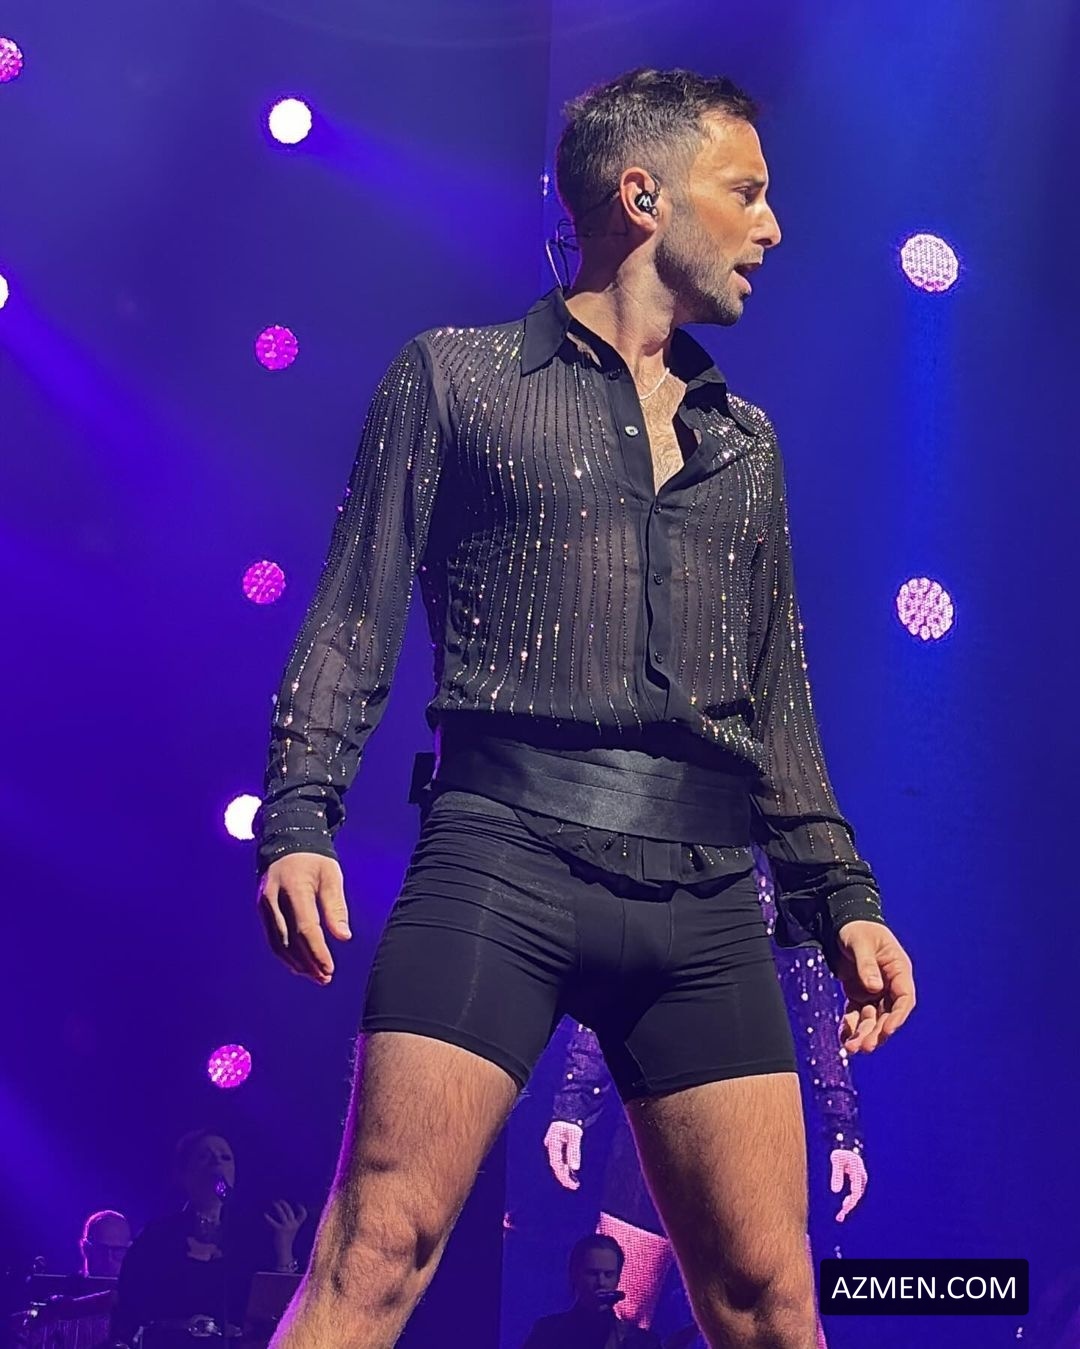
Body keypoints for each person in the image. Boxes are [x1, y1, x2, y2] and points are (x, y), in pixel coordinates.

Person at [254, 66, 916, 1349]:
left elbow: (778, 702)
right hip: (500, 856)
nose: (773, 226)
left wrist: (843, 896)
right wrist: (298, 812)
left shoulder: (747, 444)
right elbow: (352, 609)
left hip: (706, 892)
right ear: (642, 195)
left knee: (773, 1299)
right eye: (747, 193)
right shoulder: (456, 378)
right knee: (377, 1249)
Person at [544, 855, 867, 1344]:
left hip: (750, 1121)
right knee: (616, 1316)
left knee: (782, 1315)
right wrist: (571, 1107)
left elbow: (818, 1018)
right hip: (653, 1116)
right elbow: (613, 978)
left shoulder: (781, 872)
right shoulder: (651, 852)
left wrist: (842, 1134)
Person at [111, 1130, 306, 1347]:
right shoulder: (157, 1237)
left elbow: (278, 1311)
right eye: (204, 1157)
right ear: (184, 1174)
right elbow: (128, 1307)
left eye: (225, 1157)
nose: (217, 1162)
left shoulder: (249, 1239)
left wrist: (284, 1248)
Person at [522, 1234, 661, 1349]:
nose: (601, 1282)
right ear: (575, 1275)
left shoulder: (641, 1343)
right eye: (592, 1273)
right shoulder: (547, 1332)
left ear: (618, 1278)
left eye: (608, 1275)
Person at [79, 1210, 133, 1280]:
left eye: (118, 1251)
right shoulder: (69, 1286)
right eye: (102, 1250)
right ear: (86, 1249)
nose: (109, 1260)